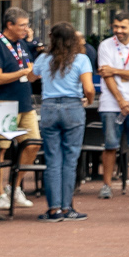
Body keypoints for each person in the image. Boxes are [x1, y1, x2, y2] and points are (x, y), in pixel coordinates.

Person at [35, 22, 95, 220]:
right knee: (70, 160)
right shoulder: (81, 59)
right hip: (72, 107)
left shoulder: (44, 58)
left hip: (49, 107)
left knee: (52, 160)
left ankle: (54, 209)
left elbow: (30, 76)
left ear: (51, 38)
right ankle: (67, 208)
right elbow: (89, 88)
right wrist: (89, 100)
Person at [0, 9, 40, 212]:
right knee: (1, 149)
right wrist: (22, 72)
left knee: (33, 144)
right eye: (22, 25)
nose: (27, 29)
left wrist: (36, 72)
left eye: (27, 25)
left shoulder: (22, 44)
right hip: (3, 104)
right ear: (9, 25)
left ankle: (14, 187)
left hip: (25, 103)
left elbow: (29, 73)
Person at [96, 14, 129, 198]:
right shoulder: (106, 45)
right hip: (111, 103)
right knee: (110, 145)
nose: (119, 31)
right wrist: (121, 100)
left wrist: (114, 70)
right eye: (116, 27)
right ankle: (106, 185)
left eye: (123, 27)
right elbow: (106, 76)